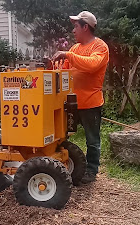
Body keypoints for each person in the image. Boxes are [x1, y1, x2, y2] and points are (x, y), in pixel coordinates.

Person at [52, 11, 109, 183]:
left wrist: (67, 55)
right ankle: (65, 165)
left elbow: (92, 65)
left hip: (90, 103)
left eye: (76, 26)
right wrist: (53, 67)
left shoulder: (100, 47)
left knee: (92, 140)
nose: (73, 30)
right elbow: (64, 71)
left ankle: (91, 171)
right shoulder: (75, 48)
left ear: (86, 27)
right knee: (61, 135)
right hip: (70, 103)